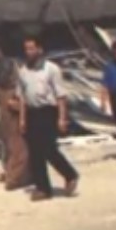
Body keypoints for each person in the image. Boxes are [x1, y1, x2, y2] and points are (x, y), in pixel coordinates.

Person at [18, 36, 79, 200]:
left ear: (39, 49)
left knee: (48, 149)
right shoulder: (23, 71)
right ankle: (43, 188)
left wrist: (62, 118)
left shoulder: (51, 69)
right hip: (32, 113)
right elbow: (22, 97)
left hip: (47, 112)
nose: (28, 52)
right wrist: (22, 119)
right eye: (26, 49)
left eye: (31, 48)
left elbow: (61, 96)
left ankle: (70, 174)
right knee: (35, 152)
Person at [0, 50, 30, 190]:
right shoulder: (13, 91)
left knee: (10, 151)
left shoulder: (1, 91)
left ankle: (12, 175)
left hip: (5, 124)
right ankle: (13, 180)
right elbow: (16, 106)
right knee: (20, 152)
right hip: (14, 123)